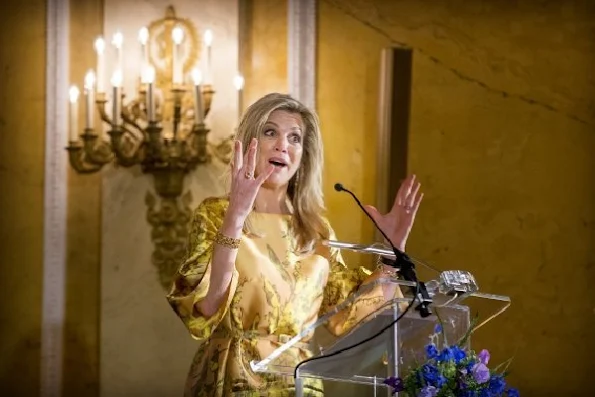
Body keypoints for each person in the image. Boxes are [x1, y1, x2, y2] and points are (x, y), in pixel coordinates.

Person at [166, 93, 423, 396]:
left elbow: (346, 316)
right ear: (250, 142)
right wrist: (236, 216)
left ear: (303, 156)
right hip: (234, 377)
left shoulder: (317, 229)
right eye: (270, 132)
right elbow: (206, 304)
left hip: (301, 382)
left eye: (295, 138)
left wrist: (392, 251)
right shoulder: (215, 214)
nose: (283, 145)